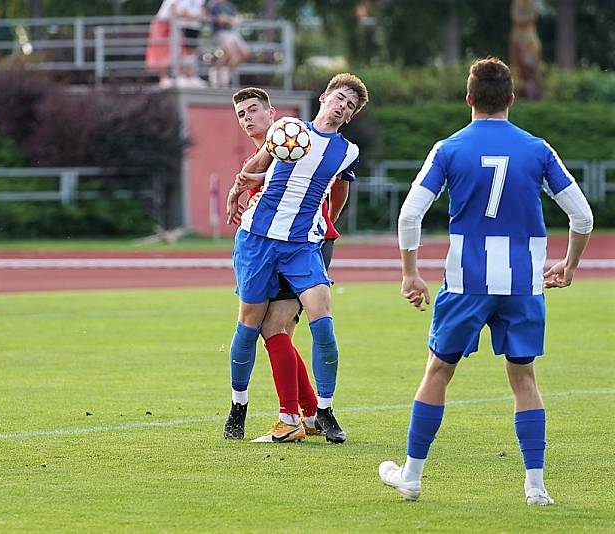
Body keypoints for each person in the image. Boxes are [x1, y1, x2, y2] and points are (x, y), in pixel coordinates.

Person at [378, 57, 593, 505]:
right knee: (525, 379)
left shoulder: (449, 148)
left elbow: (409, 214)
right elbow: (583, 216)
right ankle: (535, 487)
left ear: (469, 98)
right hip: (523, 284)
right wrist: (569, 266)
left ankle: (412, 478)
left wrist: (409, 273)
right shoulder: (538, 149)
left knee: (439, 371)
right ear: (512, 99)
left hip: (466, 281)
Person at [224, 74, 369, 444]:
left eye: (349, 105)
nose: (341, 106)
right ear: (324, 97)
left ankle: (323, 411)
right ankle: (239, 408)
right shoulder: (288, 128)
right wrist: (238, 186)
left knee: (321, 324)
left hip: (303, 246)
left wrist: (324, 226)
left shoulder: (347, 152)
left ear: (351, 115)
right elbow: (253, 169)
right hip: (258, 241)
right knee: (253, 327)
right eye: (338, 98)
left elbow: (341, 194)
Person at [207, 0, 250, 88]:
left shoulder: (230, 6)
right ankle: (217, 75)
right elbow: (220, 20)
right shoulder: (215, 6)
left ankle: (224, 76)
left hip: (232, 33)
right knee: (231, 53)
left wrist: (228, 20)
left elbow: (234, 20)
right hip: (221, 32)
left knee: (245, 53)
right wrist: (230, 20)